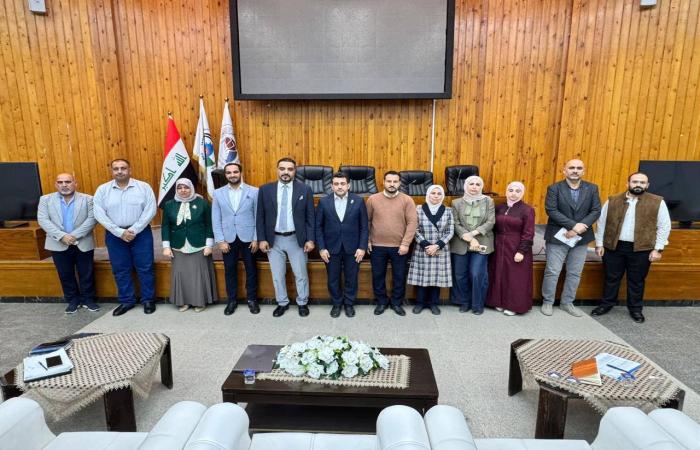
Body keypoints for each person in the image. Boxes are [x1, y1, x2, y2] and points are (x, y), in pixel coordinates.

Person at [592, 172, 670, 323]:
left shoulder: (657, 202)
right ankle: (606, 305)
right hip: (614, 247)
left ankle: (635, 309)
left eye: (642, 182)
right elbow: (602, 222)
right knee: (611, 278)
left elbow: (664, 226)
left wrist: (658, 249)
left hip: (642, 249)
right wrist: (599, 244)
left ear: (647, 185)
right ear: (628, 184)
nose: (638, 185)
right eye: (635, 182)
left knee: (637, 280)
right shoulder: (612, 200)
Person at [93, 159, 157, 316]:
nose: (119, 171)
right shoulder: (102, 190)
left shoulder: (143, 187)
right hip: (115, 235)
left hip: (141, 233)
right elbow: (99, 213)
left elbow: (150, 210)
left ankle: (148, 300)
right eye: (116, 169)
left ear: (130, 170)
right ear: (112, 171)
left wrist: (133, 230)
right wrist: (119, 232)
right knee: (120, 269)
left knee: (145, 267)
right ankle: (127, 301)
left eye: (123, 168)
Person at [541, 159, 601, 317]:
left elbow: (596, 210)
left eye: (579, 168)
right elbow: (551, 210)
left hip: (581, 237)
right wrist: (574, 226)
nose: (575, 170)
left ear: (583, 171)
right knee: (552, 271)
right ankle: (548, 301)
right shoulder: (554, 188)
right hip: (558, 236)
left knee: (575, 272)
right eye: (572, 167)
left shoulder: (592, 188)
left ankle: (567, 303)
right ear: (564, 170)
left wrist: (581, 227)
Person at [256, 157, 315, 317]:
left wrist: (310, 239)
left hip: (297, 239)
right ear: (277, 170)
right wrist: (261, 239)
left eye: (290, 169)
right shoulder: (265, 190)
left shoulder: (305, 190)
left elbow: (310, 217)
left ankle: (302, 302)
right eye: (282, 169)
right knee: (277, 275)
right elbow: (260, 217)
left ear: (294, 171)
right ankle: (282, 302)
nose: (286, 172)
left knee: (301, 274)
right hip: (273, 240)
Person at [37, 173, 100, 314]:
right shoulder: (45, 200)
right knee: (65, 274)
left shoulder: (88, 199)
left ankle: (88, 299)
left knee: (87, 273)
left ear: (75, 184)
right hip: (58, 243)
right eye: (60, 182)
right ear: (56, 184)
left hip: (82, 242)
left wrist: (74, 236)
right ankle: (73, 300)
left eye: (68, 182)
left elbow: (92, 219)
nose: (64, 185)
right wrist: (62, 236)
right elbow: (43, 220)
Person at [315, 171, 368, 318]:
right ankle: (337, 304)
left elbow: (364, 227)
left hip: (353, 248)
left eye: (343, 184)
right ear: (332, 186)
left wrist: (362, 247)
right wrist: (322, 248)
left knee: (352, 278)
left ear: (348, 185)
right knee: (333, 278)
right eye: (336, 184)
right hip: (331, 248)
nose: (339, 186)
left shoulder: (358, 201)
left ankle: (349, 304)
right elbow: (318, 227)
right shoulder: (324, 202)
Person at [366, 171, 418, 316]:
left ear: (399, 183)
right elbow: (367, 221)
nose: (392, 184)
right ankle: (381, 302)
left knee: (399, 277)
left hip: (399, 246)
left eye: (395, 181)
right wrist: (367, 240)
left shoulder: (407, 200)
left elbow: (412, 223)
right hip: (377, 245)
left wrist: (406, 243)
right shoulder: (373, 199)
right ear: (383, 182)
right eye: (389, 181)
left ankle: (396, 303)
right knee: (378, 276)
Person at [161, 178, 216, 312]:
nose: (183, 190)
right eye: (179, 188)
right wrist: (166, 246)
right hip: (178, 245)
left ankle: (199, 302)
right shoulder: (169, 205)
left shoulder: (202, 203)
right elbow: (165, 226)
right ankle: (183, 301)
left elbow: (209, 225)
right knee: (181, 275)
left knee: (198, 275)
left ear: (191, 188)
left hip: (199, 245)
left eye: (186, 187)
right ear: (176, 190)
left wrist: (209, 245)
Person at [212, 162, 260, 315]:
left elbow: (258, 217)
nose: (232, 175)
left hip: (249, 238)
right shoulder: (218, 193)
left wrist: (256, 238)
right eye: (229, 173)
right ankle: (231, 300)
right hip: (228, 239)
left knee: (251, 270)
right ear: (225, 175)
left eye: (235, 172)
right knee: (229, 270)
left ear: (241, 173)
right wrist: (220, 240)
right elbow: (216, 218)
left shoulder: (254, 191)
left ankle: (252, 299)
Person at [486, 181, 535, 316]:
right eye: (511, 190)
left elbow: (529, 233)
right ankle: (498, 301)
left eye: (517, 191)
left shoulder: (527, 210)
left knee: (515, 277)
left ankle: (513, 305)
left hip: (516, 246)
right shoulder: (499, 208)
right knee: (499, 273)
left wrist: (521, 251)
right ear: (506, 192)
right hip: (499, 245)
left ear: (522, 193)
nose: (514, 194)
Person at [449, 176, 495, 315]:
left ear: (481, 187)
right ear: (465, 186)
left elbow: (490, 222)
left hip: (482, 241)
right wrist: (468, 238)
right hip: (461, 241)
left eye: (477, 184)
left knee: (477, 273)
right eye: (471, 184)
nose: (474, 187)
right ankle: (464, 302)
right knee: (460, 274)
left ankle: (477, 304)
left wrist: (473, 235)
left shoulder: (488, 201)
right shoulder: (456, 202)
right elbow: (455, 223)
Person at [407, 185, 454, 315]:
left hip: (440, 249)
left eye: (439, 193)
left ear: (442, 196)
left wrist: (437, 245)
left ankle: (434, 304)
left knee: (436, 278)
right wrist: (426, 245)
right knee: (422, 277)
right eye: (433, 193)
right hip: (423, 248)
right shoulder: (418, 209)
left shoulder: (448, 211)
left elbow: (450, 231)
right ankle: (420, 303)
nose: (436, 196)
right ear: (428, 194)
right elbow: (414, 229)